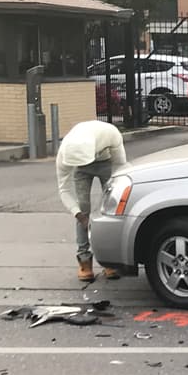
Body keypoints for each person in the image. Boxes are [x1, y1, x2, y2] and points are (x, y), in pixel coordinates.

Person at [56, 119, 127, 282]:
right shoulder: (65, 153)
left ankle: (110, 260)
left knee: (111, 208)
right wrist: (78, 214)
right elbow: (64, 189)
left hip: (106, 162)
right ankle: (84, 261)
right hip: (81, 169)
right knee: (83, 207)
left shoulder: (110, 133)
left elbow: (121, 168)